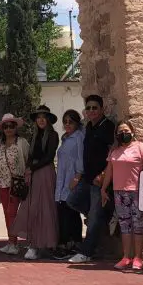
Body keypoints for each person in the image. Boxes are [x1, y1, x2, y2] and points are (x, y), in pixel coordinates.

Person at [68, 95, 115, 264]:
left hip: (99, 180)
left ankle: (86, 252)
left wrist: (103, 175)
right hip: (87, 178)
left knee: (94, 216)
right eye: (88, 108)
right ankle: (101, 219)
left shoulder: (108, 127)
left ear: (102, 109)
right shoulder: (89, 126)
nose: (91, 111)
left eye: (95, 108)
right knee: (72, 200)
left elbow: (113, 152)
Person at [101, 120, 143, 270]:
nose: (123, 134)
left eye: (126, 130)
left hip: (137, 191)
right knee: (124, 225)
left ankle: (138, 257)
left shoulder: (140, 147)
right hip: (119, 192)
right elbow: (109, 171)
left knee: (138, 225)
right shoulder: (114, 151)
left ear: (132, 131)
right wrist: (103, 189)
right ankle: (126, 257)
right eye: (120, 131)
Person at [13, 105, 59, 260]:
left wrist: (32, 167)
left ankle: (47, 242)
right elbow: (31, 156)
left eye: (44, 117)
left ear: (48, 120)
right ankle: (33, 243)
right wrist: (28, 168)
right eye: (39, 117)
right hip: (33, 174)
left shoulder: (53, 135)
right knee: (33, 208)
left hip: (45, 172)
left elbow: (49, 156)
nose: (41, 120)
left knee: (45, 208)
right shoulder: (34, 136)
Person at [0, 113, 29, 256]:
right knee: (7, 213)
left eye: (11, 126)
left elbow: (27, 160)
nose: (8, 129)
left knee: (12, 212)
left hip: (16, 183)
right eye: (5, 126)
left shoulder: (21, 143)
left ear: (15, 127)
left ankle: (15, 243)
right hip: (2, 183)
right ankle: (11, 241)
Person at [53, 109, 85, 260]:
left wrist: (78, 177)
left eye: (70, 122)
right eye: (65, 122)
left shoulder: (79, 137)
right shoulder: (65, 138)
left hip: (72, 179)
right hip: (62, 180)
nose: (67, 124)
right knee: (64, 212)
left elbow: (80, 158)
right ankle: (68, 243)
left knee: (70, 213)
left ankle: (72, 244)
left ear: (76, 123)